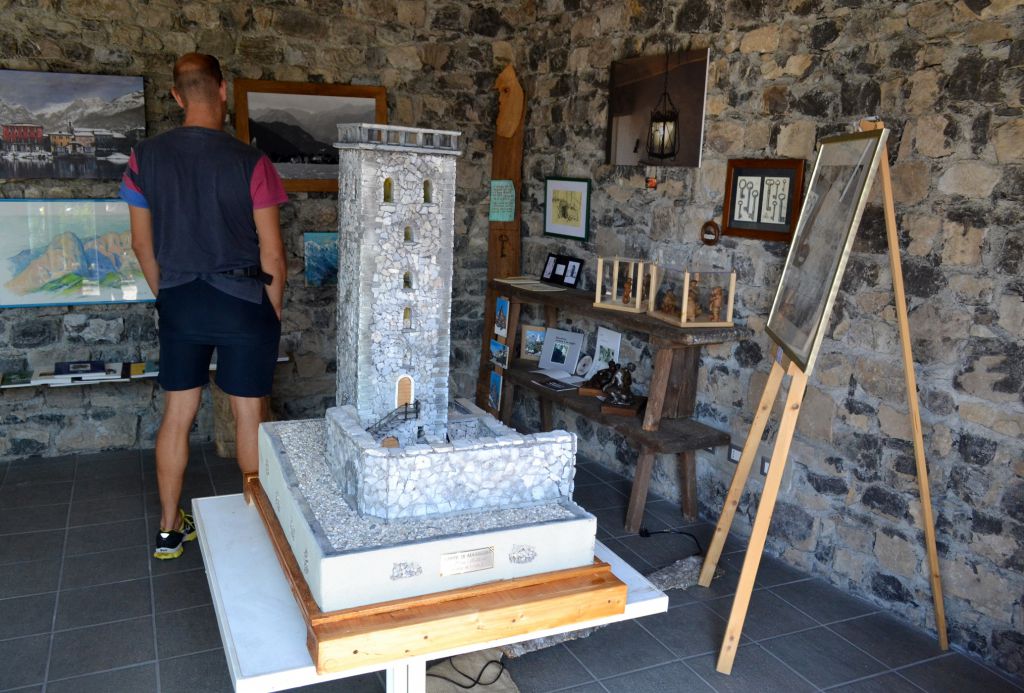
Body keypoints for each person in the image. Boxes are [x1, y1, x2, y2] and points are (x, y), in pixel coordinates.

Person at [120, 53, 288, 559]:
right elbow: (272, 252)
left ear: (176, 96)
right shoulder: (251, 161)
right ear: (222, 90)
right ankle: (259, 523)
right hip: (243, 301)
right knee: (248, 413)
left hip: (180, 301)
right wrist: (271, 313)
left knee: (178, 414)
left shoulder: (143, 158)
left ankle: (169, 530)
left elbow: (141, 245)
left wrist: (169, 294)